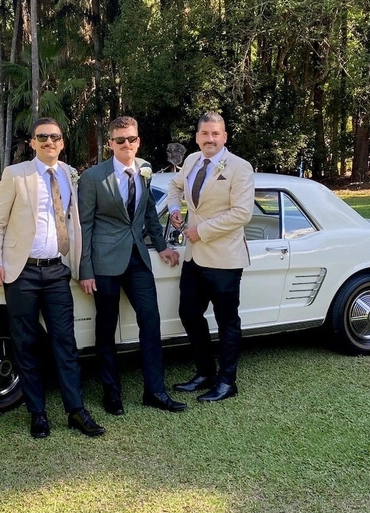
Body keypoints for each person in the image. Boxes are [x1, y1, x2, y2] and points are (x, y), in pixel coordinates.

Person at [0, 117, 105, 439]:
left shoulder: (68, 175)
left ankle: (76, 410)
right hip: (21, 271)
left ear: (62, 142)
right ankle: (37, 413)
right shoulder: (16, 175)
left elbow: (76, 223)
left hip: (56, 271)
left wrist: (80, 266)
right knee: (25, 344)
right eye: (43, 137)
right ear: (33, 142)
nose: (50, 141)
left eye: (55, 137)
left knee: (65, 342)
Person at [78, 116, 186, 416]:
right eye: (120, 140)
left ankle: (155, 391)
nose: (127, 144)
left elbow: (149, 212)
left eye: (132, 139)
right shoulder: (92, 177)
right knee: (106, 327)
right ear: (110, 143)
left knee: (150, 322)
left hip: (138, 258)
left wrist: (162, 246)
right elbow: (84, 225)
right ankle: (111, 393)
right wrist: (85, 270)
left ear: (138, 141)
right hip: (104, 261)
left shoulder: (146, 170)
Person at [166, 112, 254, 402]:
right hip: (194, 258)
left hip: (224, 258)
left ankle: (227, 382)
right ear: (197, 137)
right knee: (189, 314)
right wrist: (175, 209)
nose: (210, 139)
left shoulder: (240, 168)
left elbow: (242, 213)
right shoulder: (191, 160)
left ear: (224, 137)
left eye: (216, 134)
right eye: (205, 133)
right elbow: (174, 186)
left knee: (227, 321)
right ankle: (205, 372)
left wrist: (200, 230)